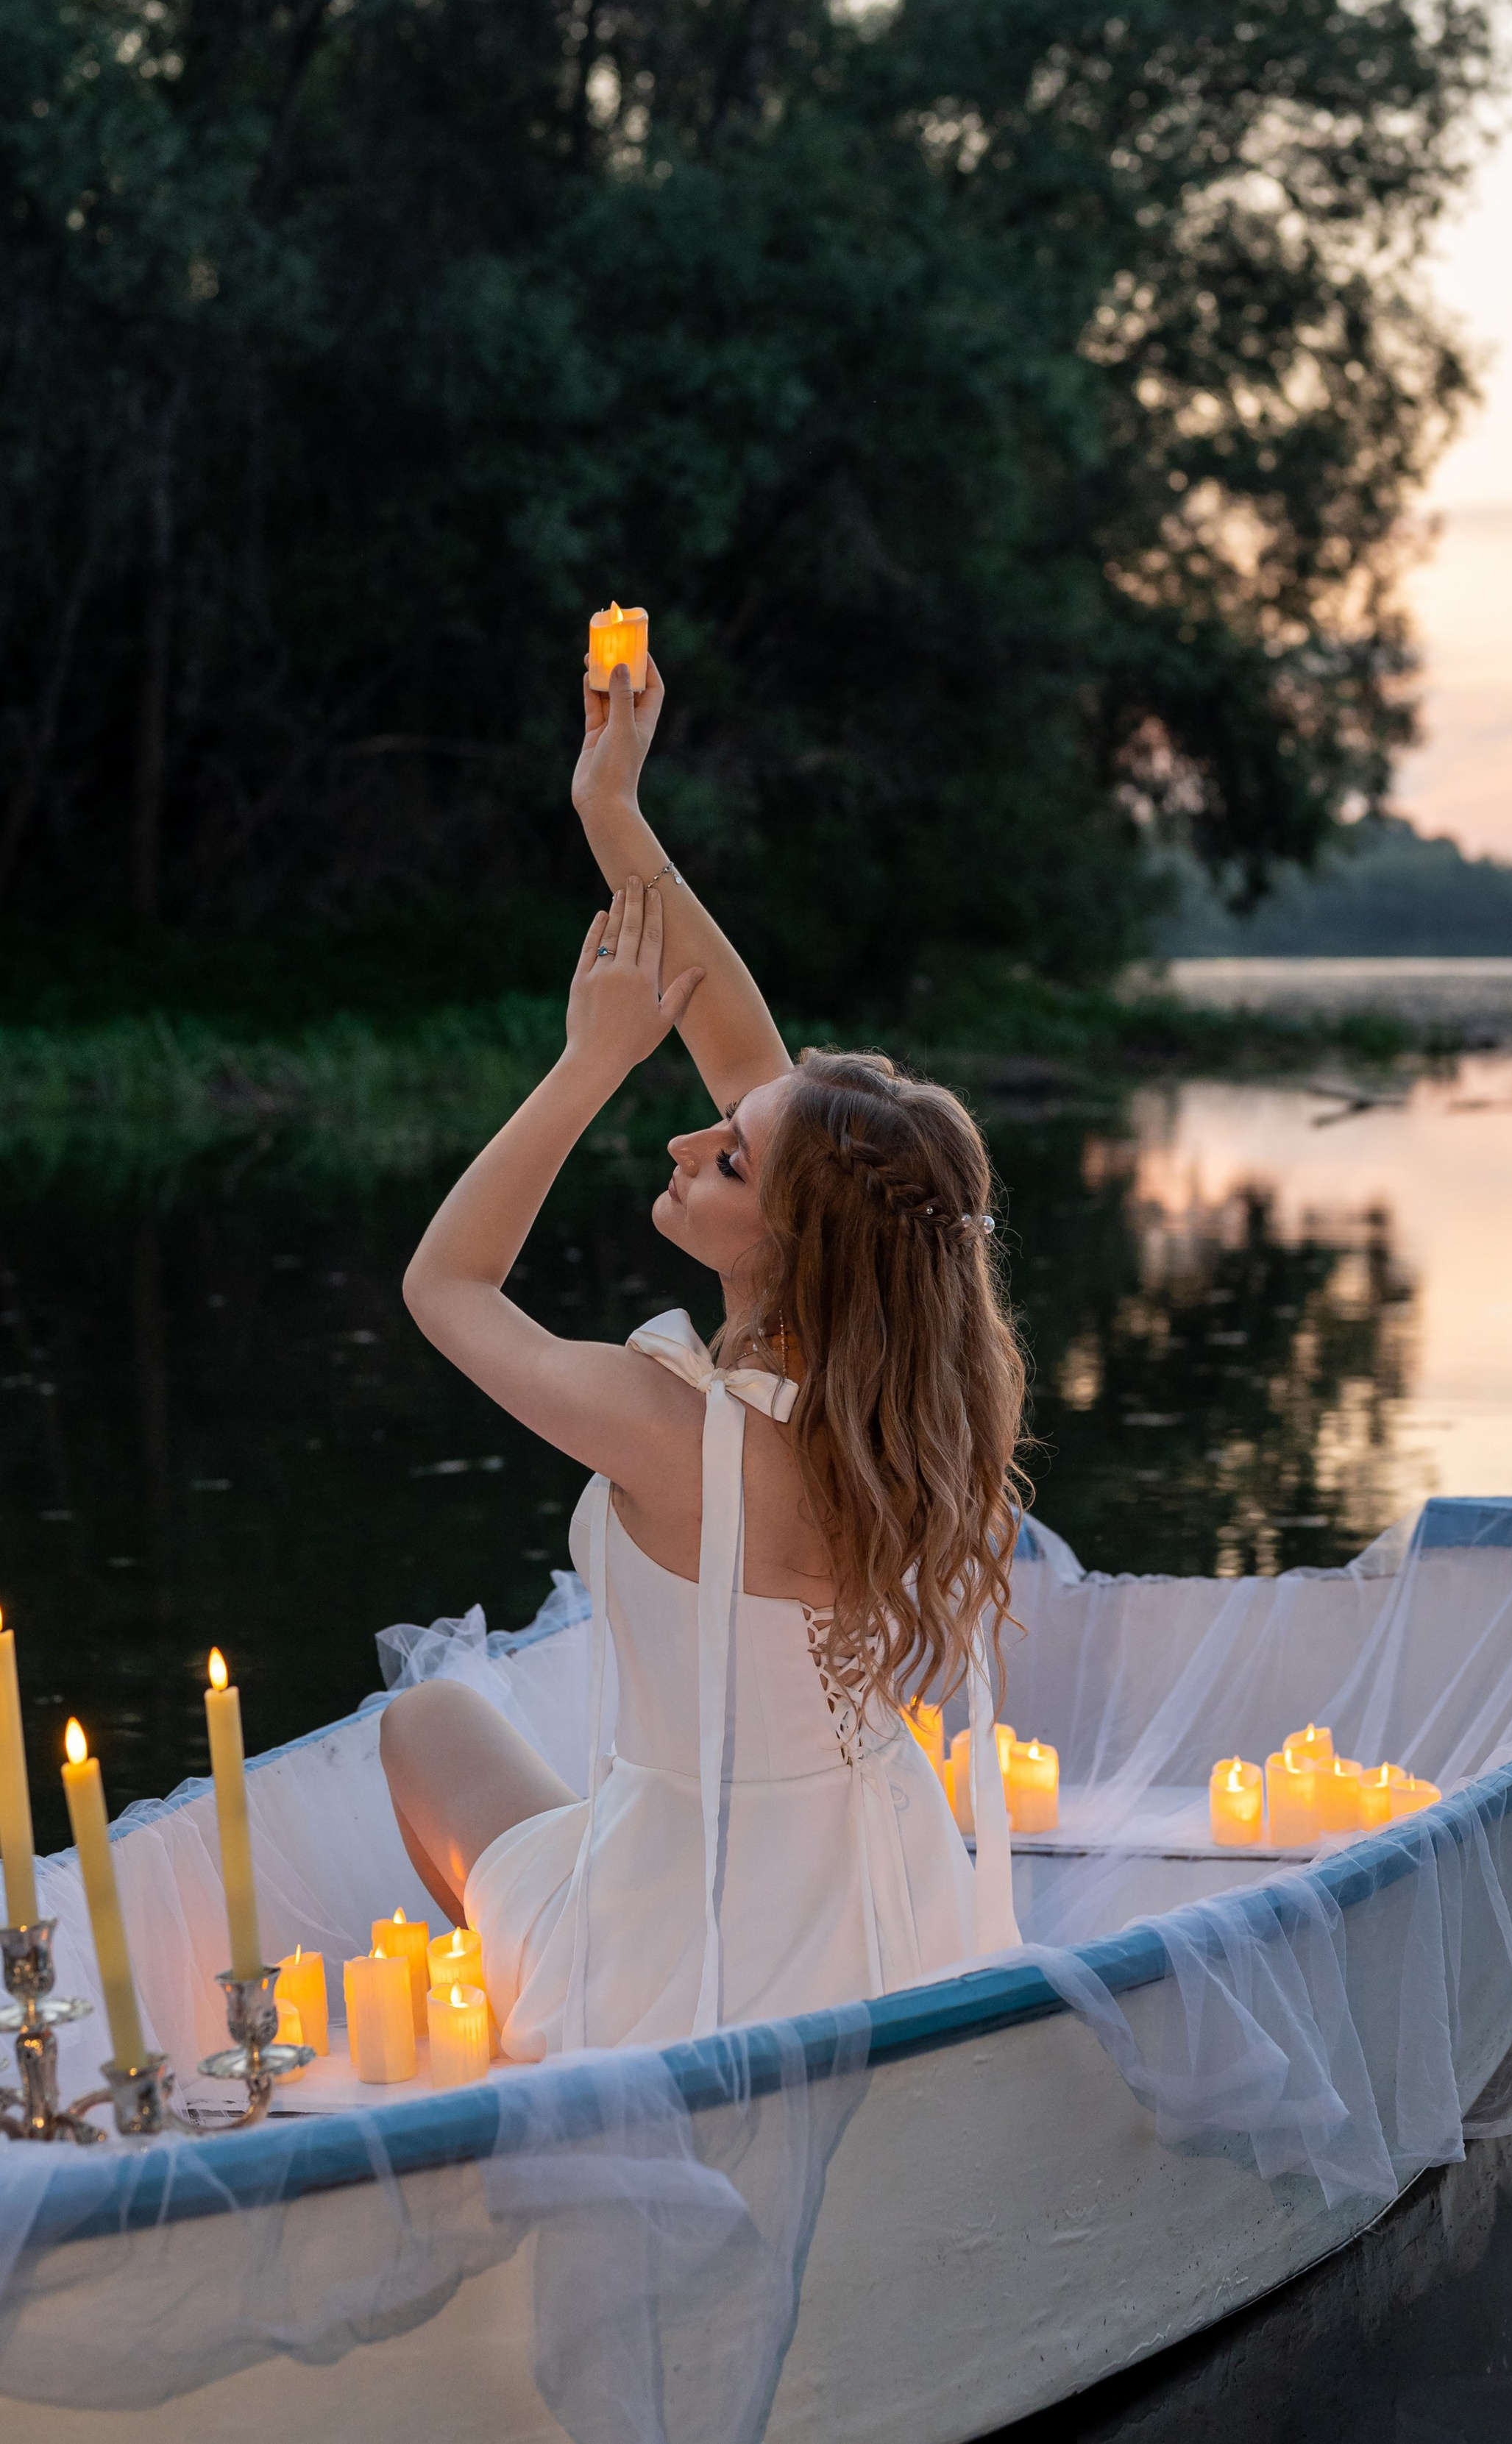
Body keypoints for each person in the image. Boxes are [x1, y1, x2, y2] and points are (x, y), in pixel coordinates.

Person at [383, 654, 1027, 2055]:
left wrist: (587, 1062)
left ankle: (507, 2032)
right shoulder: (904, 1407)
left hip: (684, 1936)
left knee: (425, 1721)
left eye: (726, 1155)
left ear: (788, 1242)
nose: (689, 1136)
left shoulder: (675, 1426)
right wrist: (611, 806)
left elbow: (447, 1283)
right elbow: (723, 1019)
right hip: (883, 1902)